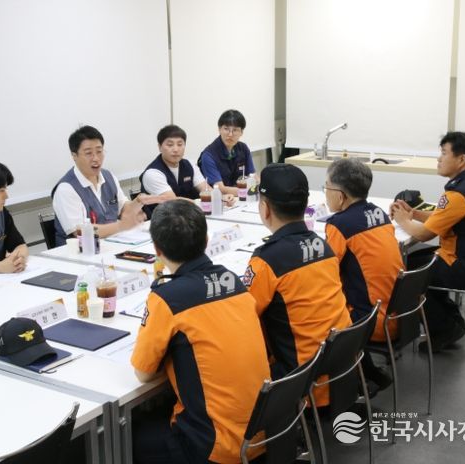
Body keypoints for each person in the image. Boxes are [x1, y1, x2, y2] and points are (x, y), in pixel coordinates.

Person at [131, 200, 270, 464]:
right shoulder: (233, 281)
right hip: (262, 432)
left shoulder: (166, 298)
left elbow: (143, 374)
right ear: (206, 241)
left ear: (157, 250)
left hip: (214, 447)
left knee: (131, 436)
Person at [243, 163, 352, 407]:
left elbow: (244, 315)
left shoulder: (267, 260)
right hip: (342, 369)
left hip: (302, 382)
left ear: (265, 209)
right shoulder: (323, 246)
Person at [391, 131, 465, 352]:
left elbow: (424, 234)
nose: (439, 159)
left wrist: (402, 220)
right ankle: (450, 323)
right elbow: (442, 217)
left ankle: (444, 330)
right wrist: (413, 214)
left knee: (409, 273)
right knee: (415, 261)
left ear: (461, 159)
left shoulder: (459, 193)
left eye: (444, 153)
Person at [323, 158, 402, 391]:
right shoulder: (379, 213)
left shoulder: (339, 224)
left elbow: (325, 271)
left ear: (340, 196)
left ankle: (352, 383)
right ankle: (367, 371)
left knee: (318, 309)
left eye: (326, 187)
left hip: (371, 322)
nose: (325, 193)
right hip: (400, 314)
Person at [52, 125, 146, 246]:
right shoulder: (66, 189)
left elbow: (123, 208)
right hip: (78, 252)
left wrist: (139, 201)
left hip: (111, 244)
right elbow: (80, 231)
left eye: (99, 151)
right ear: (74, 156)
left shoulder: (108, 176)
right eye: (88, 153)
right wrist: (121, 226)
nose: (96, 158)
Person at [137, 124, 235, 217]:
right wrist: (201, 203)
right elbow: (172, 201)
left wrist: (221, 198)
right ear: (159, 147)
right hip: (161, 223)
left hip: (187, 217)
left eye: (180, 144)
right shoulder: (152, 173)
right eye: (170, 145)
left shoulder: (189, 165)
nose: (176, 149)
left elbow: (205, 189)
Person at [197, 109, 256, 196]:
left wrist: (256, 187)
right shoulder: (208, 155)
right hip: (218, 200)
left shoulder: (243, 148)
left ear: (241, 132)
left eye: (235, 130)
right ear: (219, 129)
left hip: (241, 197)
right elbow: (220, 189)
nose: (230, 134)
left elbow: (253, 177)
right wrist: (249, 190)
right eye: (226, 129)